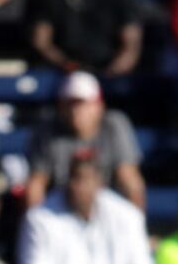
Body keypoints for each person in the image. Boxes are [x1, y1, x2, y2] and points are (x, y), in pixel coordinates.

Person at [17, 154, 157, 264]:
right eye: (74, 178)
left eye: (86, 179)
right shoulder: (40, 218)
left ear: (99, 182)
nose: (78, 187)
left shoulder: (127, 215)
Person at [24, 71, 145, 211]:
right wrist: (36, 221)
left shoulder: (114, 125)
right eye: (69, 104)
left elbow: (129, 178)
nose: (75, 111)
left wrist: (136, 224)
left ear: (98, 106)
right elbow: (36, 183)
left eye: (82, 104)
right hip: (60, 208)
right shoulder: (47, 129)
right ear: (60, 107)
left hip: (105, 205)